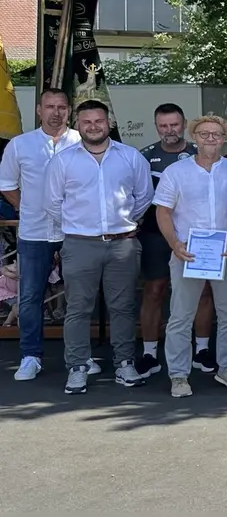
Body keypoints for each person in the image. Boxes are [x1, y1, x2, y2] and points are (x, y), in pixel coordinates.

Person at [44, 100, 153, 393]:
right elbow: (53, 203)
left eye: (99, 121)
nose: (93, 126)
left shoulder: (130, 157)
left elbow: (144, 196)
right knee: (78, 309)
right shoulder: (63, 161)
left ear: (109, 123)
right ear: (77, 125)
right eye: (87, 122)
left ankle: (124, 364)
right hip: (80, 245)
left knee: (123, 307)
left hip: (123, 245)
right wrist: (81, 226)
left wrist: (127, 221)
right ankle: (78, 367)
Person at [154, 114, 227, 397]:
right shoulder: (176, 172)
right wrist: (174, 244)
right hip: (187, 253)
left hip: (224, 252)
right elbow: (163, 211)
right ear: (194, 137)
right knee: (181, 316)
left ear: (224, 139)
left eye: (216, 134)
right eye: (204, 133)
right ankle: (179, 375)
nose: (210, 138)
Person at [0, 88, 80, 382]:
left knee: (78, 296)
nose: (55, 112)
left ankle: (79, 358)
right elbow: (6, 183)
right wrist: (27, 207)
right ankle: (30, 356)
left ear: (69, 110)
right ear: (39, 110)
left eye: (61, 107)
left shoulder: (81, 142)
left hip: (74, 231)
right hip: (34, 232)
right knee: (31, 295)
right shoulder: (21, 145)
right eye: (50, 106)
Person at [134, 103, 197, 380]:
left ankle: (203, 349)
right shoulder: (144, 157)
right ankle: (150, 353)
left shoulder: (199, 153)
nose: (169, 130)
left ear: (184, 124)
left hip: (196, 236)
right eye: (163, 126)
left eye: (174, 124)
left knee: (202, 293)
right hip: (155, 234)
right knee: (155, 291)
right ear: (156, 126)